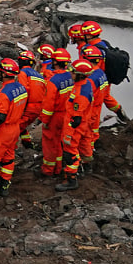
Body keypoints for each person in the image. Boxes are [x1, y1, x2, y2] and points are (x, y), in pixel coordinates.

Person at [75, 43, 127, 168]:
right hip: (96, 108)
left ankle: (85, 161)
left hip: (90, 109)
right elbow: (105, 95)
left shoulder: (91, 78)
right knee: (92, 132)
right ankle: (89, 154)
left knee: (85, 135)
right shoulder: (101, 73)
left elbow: (84, 96)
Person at [0, 59, 29, 199]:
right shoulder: (21, 88)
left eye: (0, 72)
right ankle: (4, 187)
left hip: (3, 131)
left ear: (4, 74)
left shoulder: (3, 94)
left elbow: (0, 117)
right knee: (8, 158)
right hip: (15, 128)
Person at [59, 59, 97, 190]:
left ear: (80, 74)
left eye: (73, 72)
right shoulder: (85, 85)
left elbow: (76, 119)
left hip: (76, 126)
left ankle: (71, 179)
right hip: (84, 123)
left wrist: (68, 134)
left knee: (70, 152)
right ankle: (86, 166)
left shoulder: (81, 93)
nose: (71, 74)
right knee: (84, 144)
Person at [40, 51, 75, 177]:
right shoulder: (71, 77)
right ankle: (58, 167)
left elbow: (48, 105)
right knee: (60, 142)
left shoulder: (53, 80)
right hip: (67, 115)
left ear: (54, 62)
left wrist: (45, 120)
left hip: (55, 116)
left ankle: (48, 170)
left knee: (50, 143)